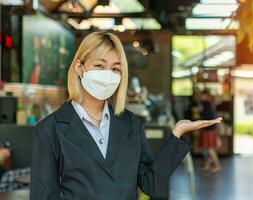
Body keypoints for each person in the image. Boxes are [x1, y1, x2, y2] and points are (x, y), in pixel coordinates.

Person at [30, 31, 221, 200]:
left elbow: (150, 184)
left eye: (115, 69)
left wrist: (177, 133)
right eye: (99, 65)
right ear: (80, 68)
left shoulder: (131, 124)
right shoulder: (50, 130)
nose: (108, 75)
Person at [199, 90, 222, 173]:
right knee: (209, 148)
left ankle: (217, 165)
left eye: (202, 95)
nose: (200, 97)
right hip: (211, 128)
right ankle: (207, 165)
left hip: (208, 129)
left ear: (206, 96)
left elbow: (205, 116)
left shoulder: (206, 104)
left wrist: (200, 112)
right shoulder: (211, 103)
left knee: (210, 148)